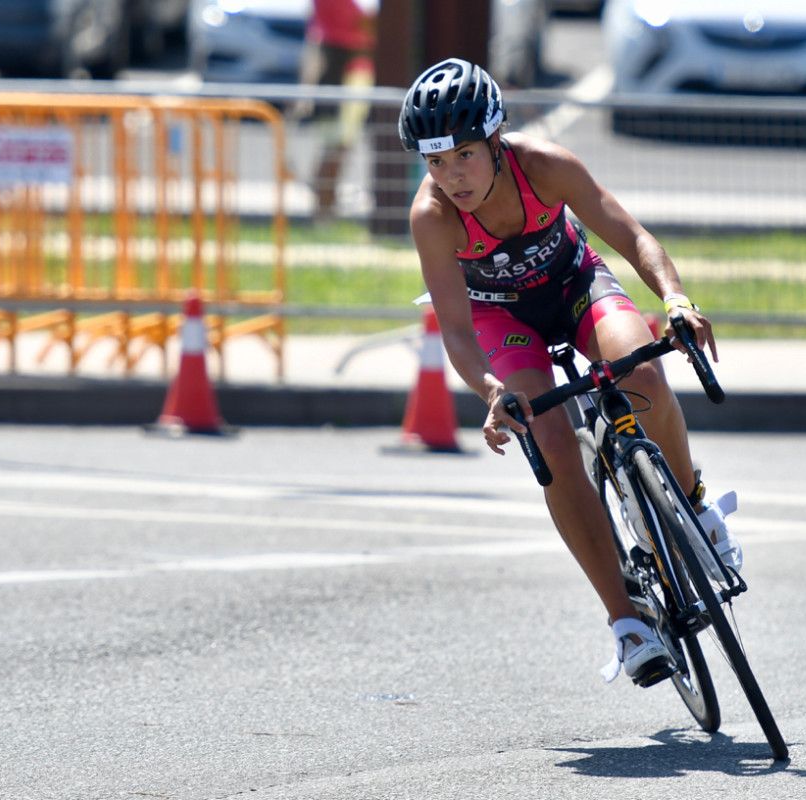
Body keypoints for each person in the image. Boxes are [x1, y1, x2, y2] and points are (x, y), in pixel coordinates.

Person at [399, 58, 741, 686]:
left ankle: (693, 508)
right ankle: (628, 622)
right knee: (550, 440)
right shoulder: (433, 217)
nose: (451, 177)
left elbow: (632, 237)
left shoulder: (545, 166)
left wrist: (676, 299)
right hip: (503, 321)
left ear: (496, 140)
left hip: (575, 285)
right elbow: (453, 327)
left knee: (643, 375)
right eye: (435, 163)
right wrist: (492, 391)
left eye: (464, 156)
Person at [296, 0, 377, 222]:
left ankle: (325, 208)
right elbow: (363, 26)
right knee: (336, 146)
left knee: (338, 146)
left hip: (346, 70)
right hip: (342, 71)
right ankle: (324, 209)